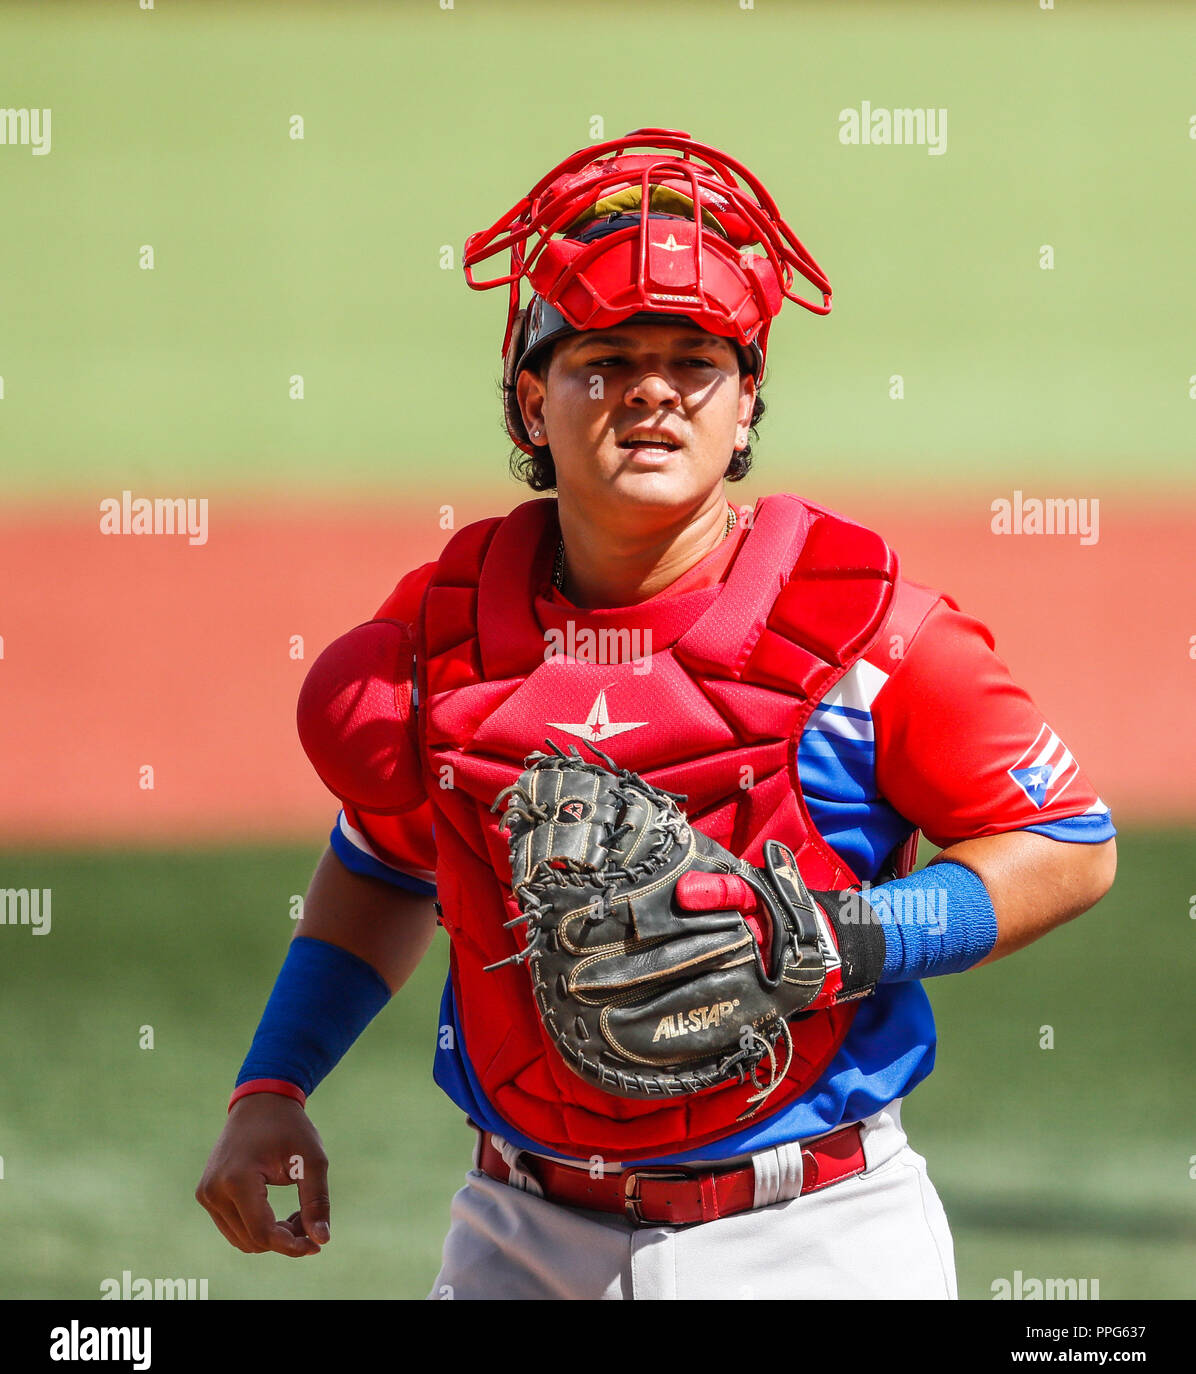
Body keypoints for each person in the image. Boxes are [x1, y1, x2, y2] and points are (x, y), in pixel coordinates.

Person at [196, 130, 1117, 1299]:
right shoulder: (440, 641)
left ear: (743, 412)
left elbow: (1066, 844)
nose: (650, 389)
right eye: (606, 357)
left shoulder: (866, 636)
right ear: (533, 401)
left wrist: (845, 940)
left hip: (814, 1235)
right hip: (518, 1227)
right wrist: (272, 1085)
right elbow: (381, 861)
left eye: (694, 360)